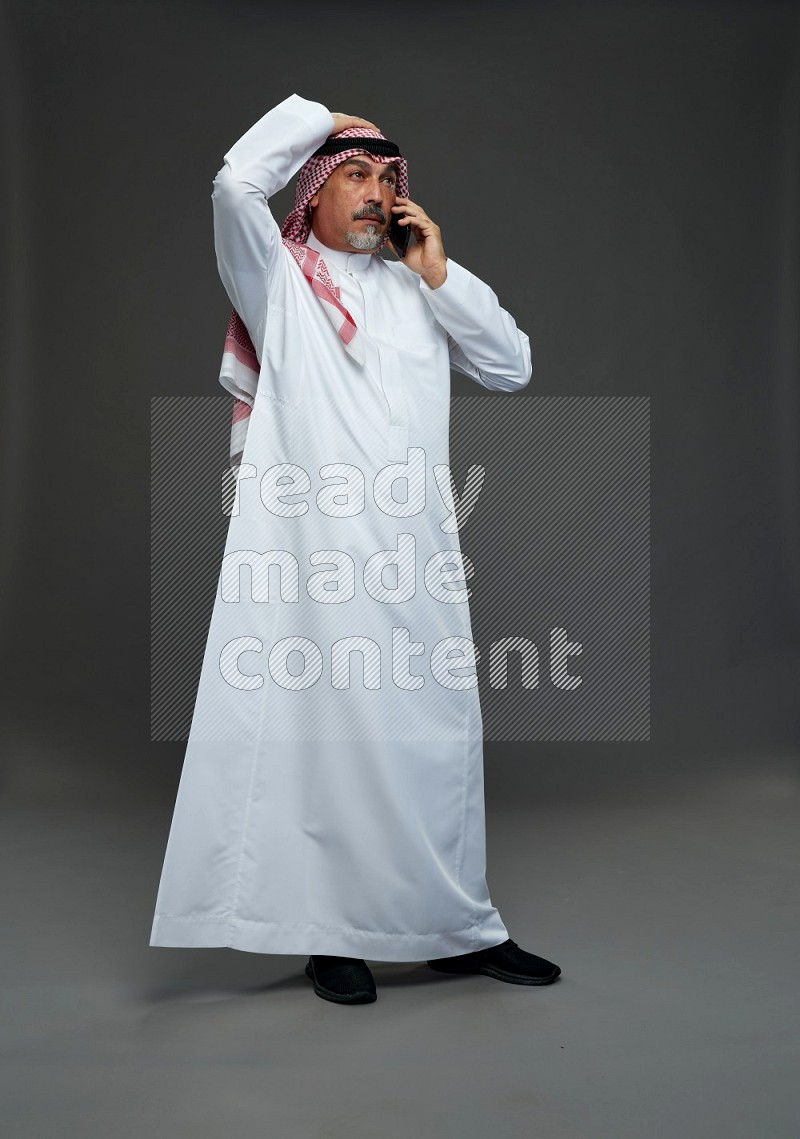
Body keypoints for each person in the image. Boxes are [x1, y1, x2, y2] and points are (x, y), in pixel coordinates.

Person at [149, 93, 561, 1005]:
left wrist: (443, 274)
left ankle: (454, 927)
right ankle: (329, 930)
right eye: (354, 176)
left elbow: (511, 365)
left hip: (414, 557)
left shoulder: (420, 285)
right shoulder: (279, 280)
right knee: (323, 745)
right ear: (315, 192)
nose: (374, 195)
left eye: (385, 178)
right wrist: (312, 116)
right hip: (313, 565)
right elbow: (232, 186)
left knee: (433, 741)